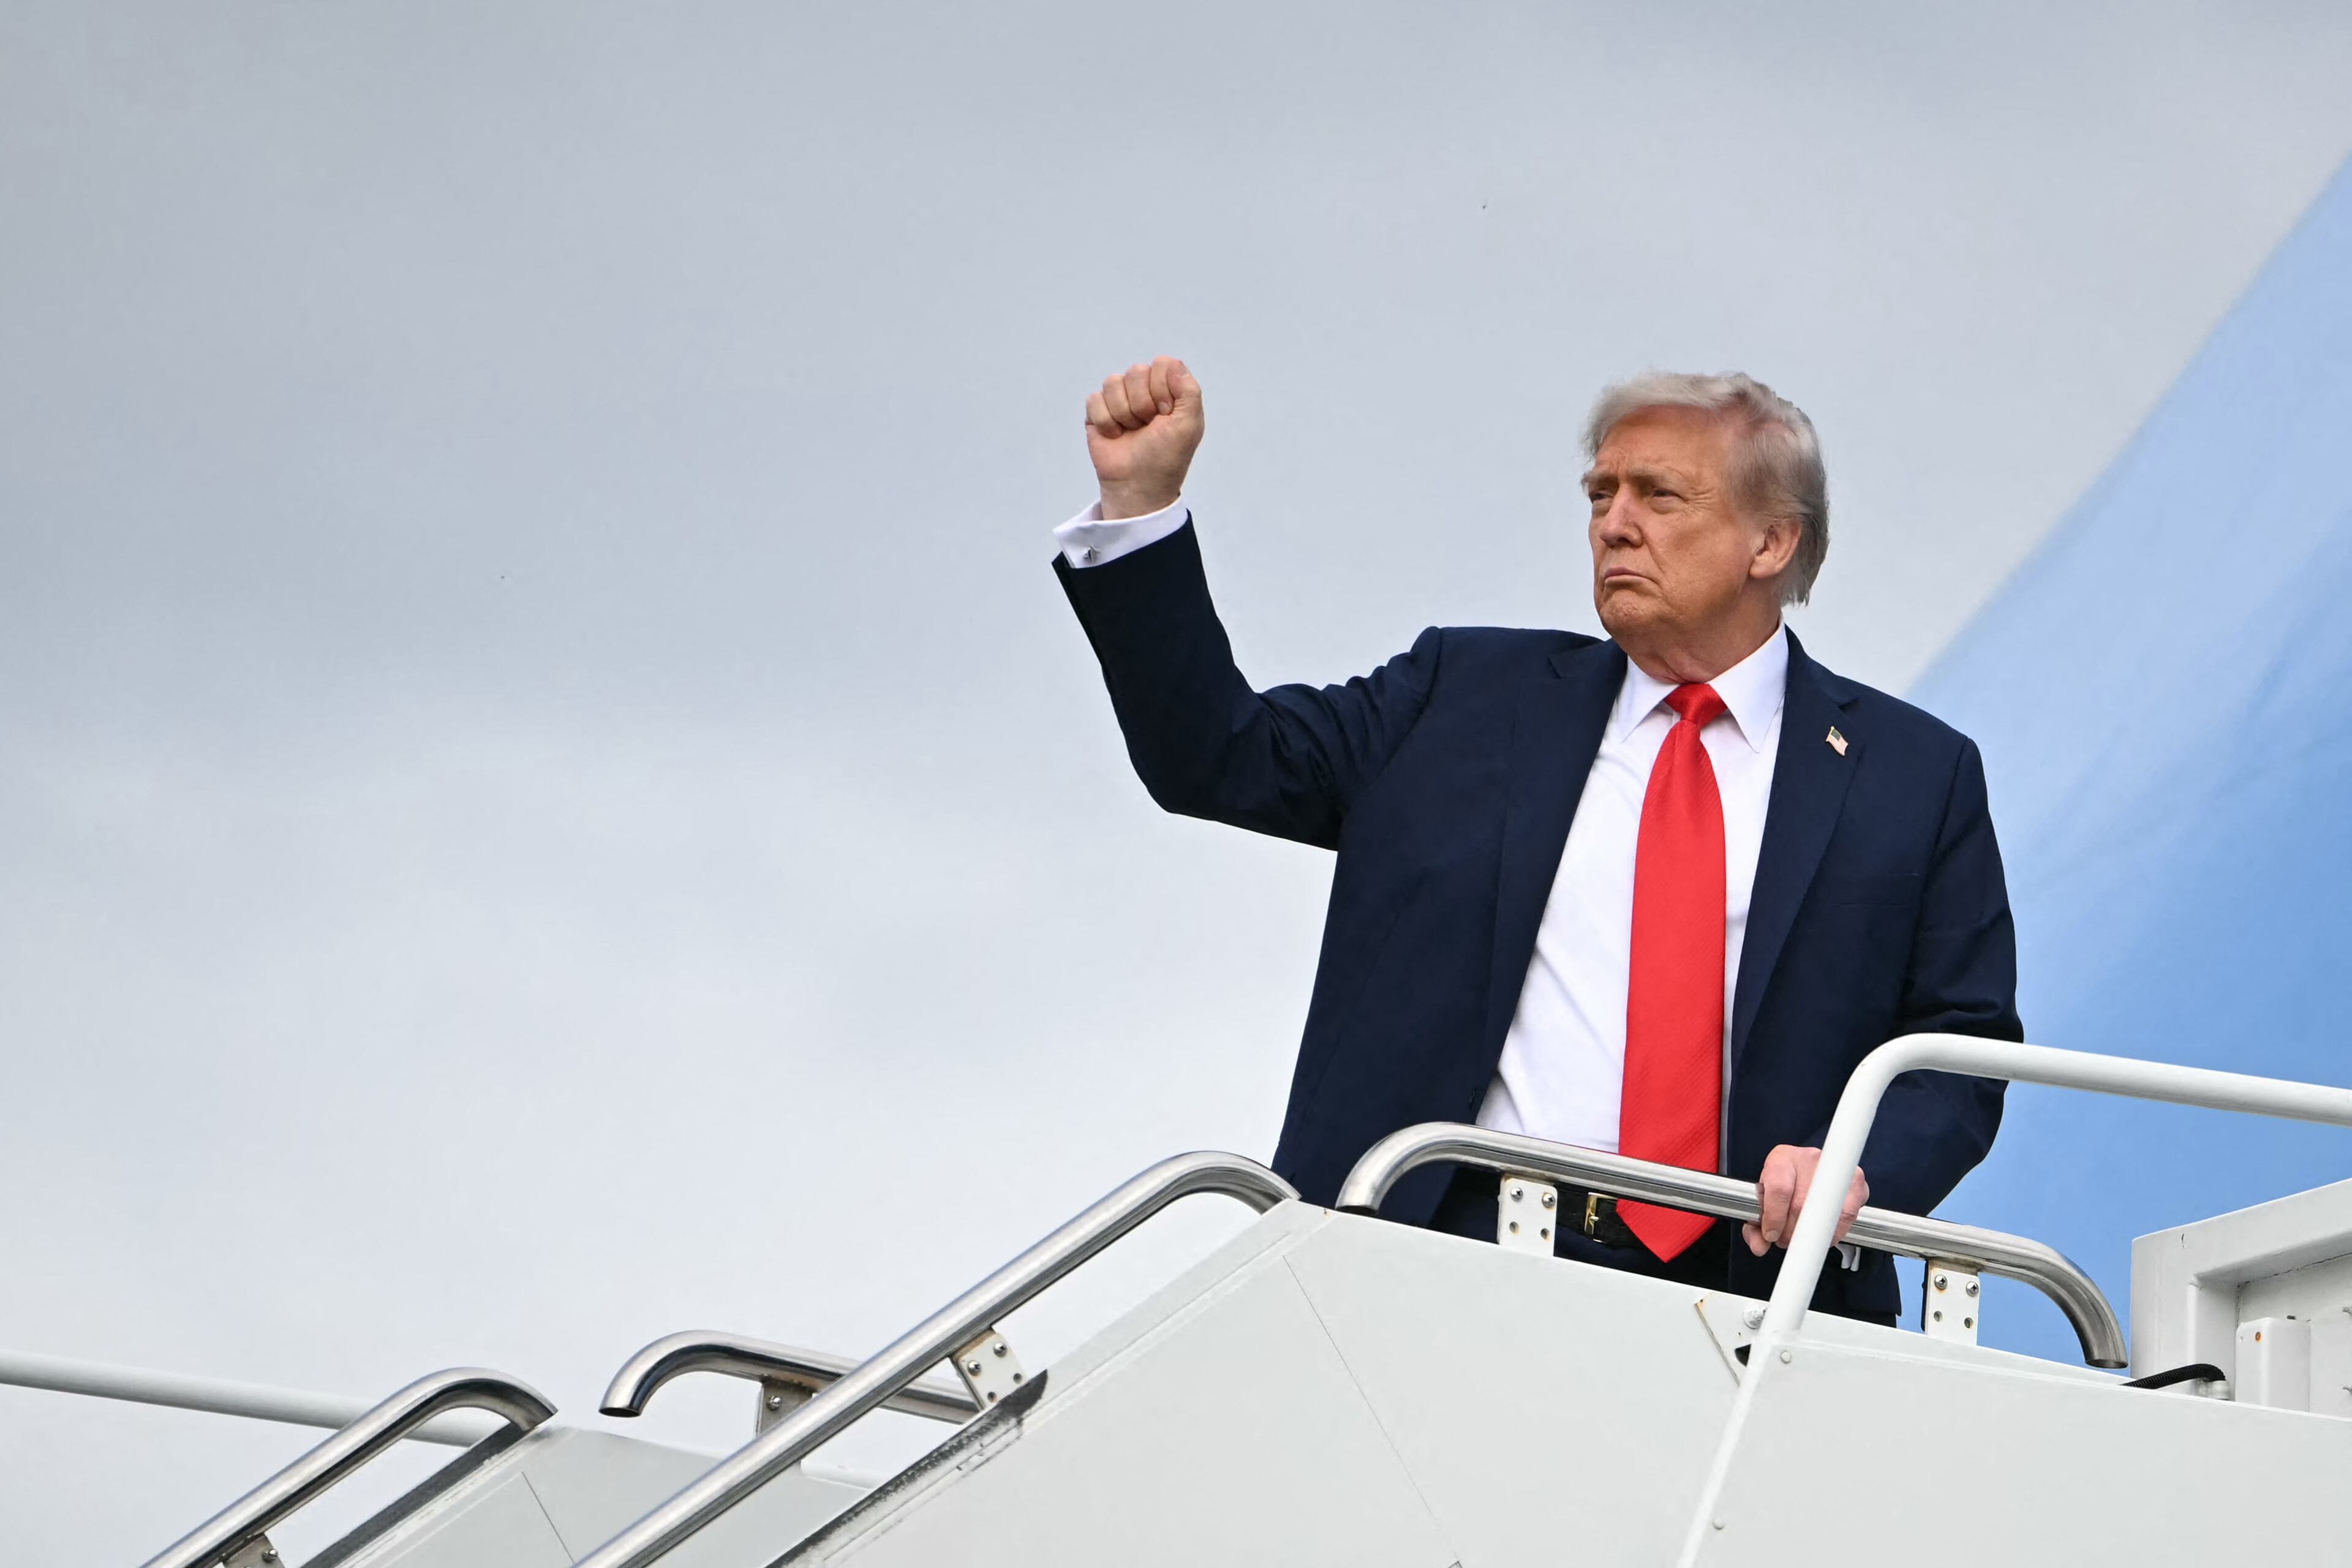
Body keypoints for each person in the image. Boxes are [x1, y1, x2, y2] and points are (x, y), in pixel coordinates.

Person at [1052, 357, 2017, 1322]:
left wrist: (1858, 1168)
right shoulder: (1458, 697)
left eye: (1659, 496)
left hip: (1758, 1300)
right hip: (1435, 1260)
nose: (1614, 522)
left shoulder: (1915, 776)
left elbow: (1960, 1051)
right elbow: (1217, 759)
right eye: (1602, 492)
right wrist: (1143, 507)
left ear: (1770, 543)